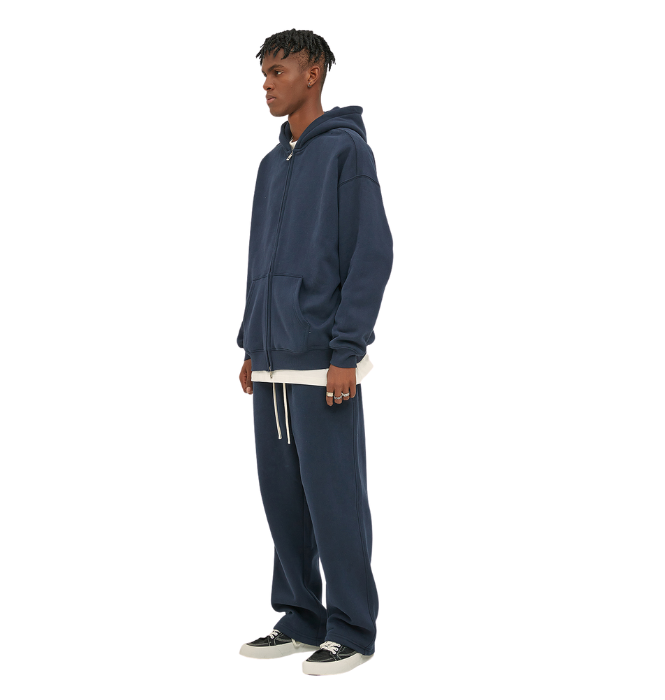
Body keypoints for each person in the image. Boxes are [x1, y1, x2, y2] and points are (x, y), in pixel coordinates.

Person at [236, 28, 394, 677]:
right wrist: (252, 340)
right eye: (264, 73)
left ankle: (351, 628)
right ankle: (301, 617)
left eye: (279, 70)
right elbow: (258, 261)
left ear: (315, 72)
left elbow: (371, 254)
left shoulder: (346, 153)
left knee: (335, 499)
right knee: (283, 501)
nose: (267, 83)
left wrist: (346, 351)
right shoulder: (271, 166)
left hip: (325, 361)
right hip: (273, 358)